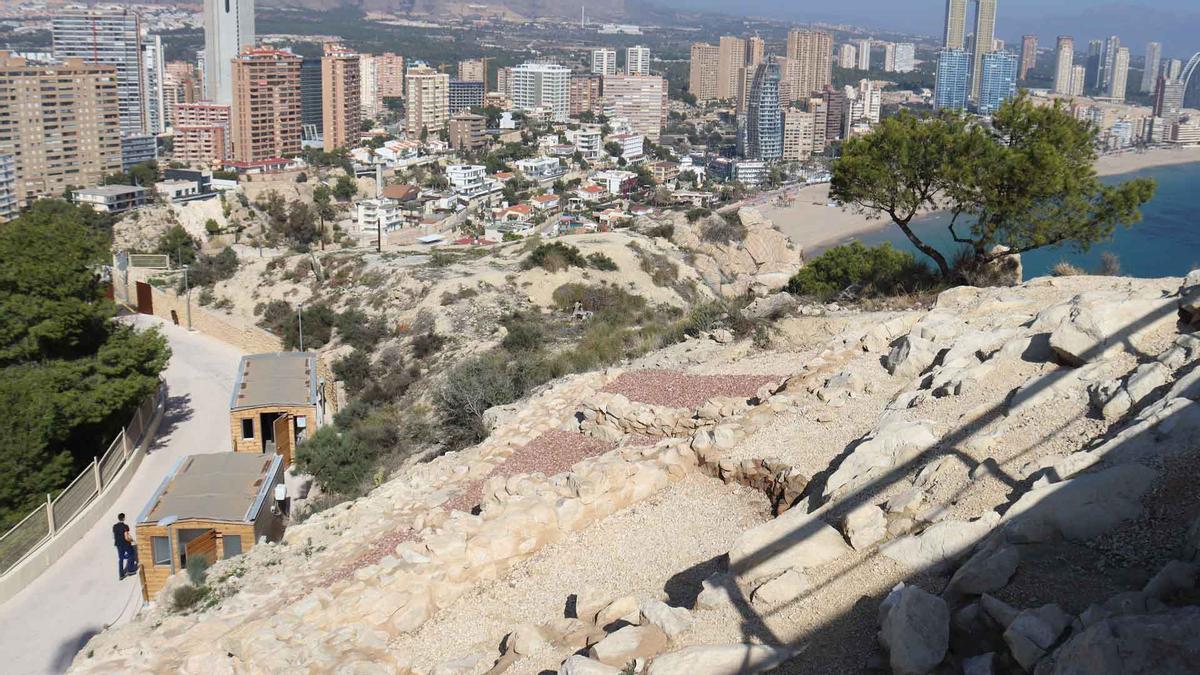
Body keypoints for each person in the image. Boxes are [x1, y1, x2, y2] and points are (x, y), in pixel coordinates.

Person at [112, 513, 138, 579]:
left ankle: (121, 575)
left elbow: (113, 536)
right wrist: (131, 540)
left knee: (121, 559)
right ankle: (130, 570)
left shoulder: (114, 526)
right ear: (123, 518)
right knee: (131, 554)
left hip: (118, 544)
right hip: (125, 544)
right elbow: (126, 537)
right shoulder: (125, 526)